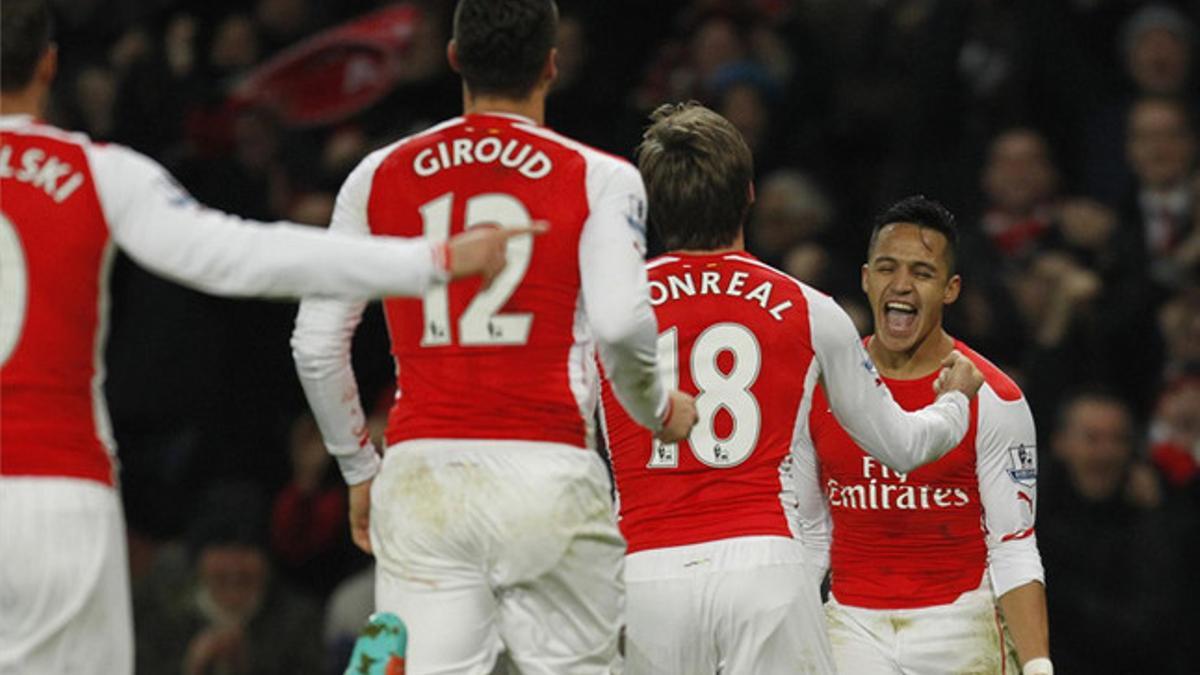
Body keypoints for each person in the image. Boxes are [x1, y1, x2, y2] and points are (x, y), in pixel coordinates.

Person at [0, 1, 530, 673]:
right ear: (48, 65)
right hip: (59, 491)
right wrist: (428, 261)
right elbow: (240, 255)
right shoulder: (98, 172)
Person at [290, 1, 697, 672]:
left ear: (454, 59)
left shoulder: (378, 174)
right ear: (551, 64)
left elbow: (314, 342)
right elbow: (623, 324)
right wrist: (656, 407)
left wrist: (359, 467)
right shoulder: (599, 177)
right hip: (547, 467)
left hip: (423, 478)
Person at [599, 104, 985, 673]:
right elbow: (902, 447)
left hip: (644, 572)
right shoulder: (809, 309)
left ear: (652, 204)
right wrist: (955, 399)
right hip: (766, 573)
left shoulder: (608, 312)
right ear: (750, 194)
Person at [805, 196, 1051, 675]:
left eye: (921, 272)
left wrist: (1038, 665)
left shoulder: (994, 396)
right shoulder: (817, 387)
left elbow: (1014, 543)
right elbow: (809, 533)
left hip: (960, 625)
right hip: (850, 626)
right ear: (865, 278)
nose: (901, 285)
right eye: (887, 268)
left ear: (950, 288)